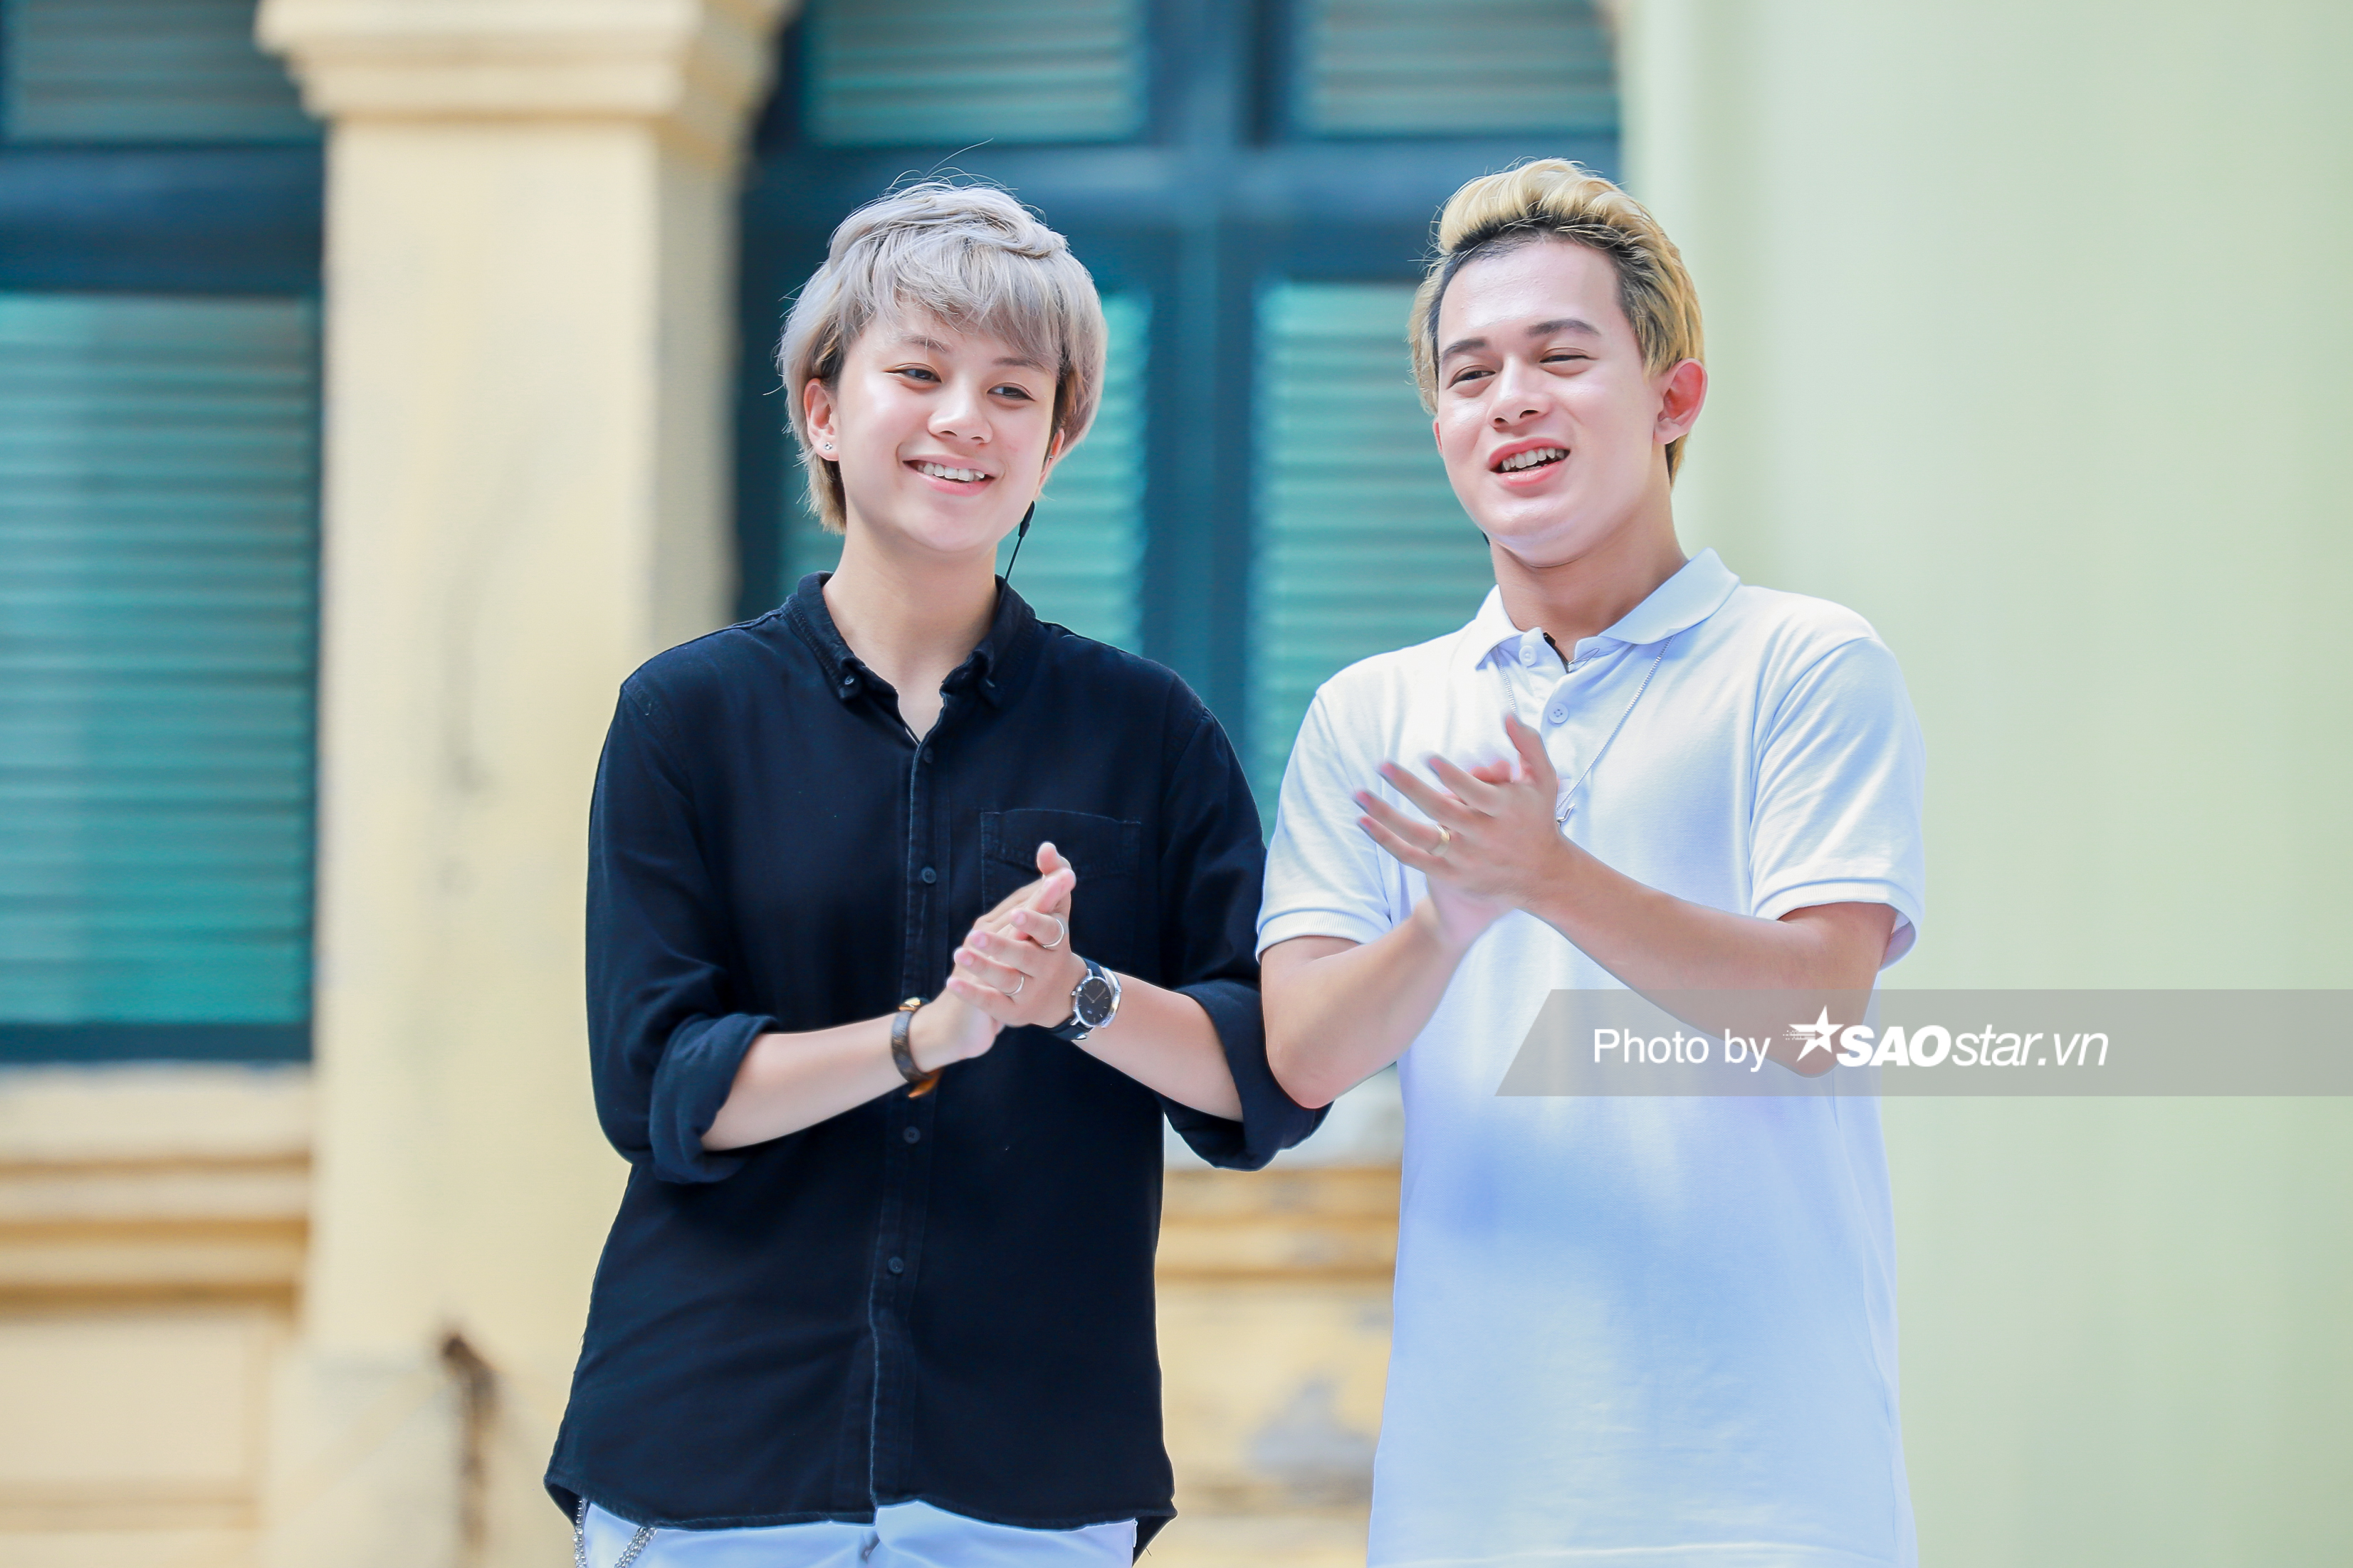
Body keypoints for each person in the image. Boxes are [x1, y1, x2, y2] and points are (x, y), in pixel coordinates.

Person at [546, 180, 1318, 1567]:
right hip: (714, 1457)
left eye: (1013, 390)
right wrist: (929, 1036)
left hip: (1028, 1473)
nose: (966, 416)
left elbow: (1264, 1078)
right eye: (919, 373)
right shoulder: (686, 717)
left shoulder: (1148, 734)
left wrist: (1074, 995)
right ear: (823, 412)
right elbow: (657, 1086)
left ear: (1055, 442)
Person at [1257, 160, 1928, 1566]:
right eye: (1470, 373)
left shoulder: (1806, 663)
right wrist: (1444, 924)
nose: (1510, 398)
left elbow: (1818, 1010)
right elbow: (1306, 1056)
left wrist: (1549, 876)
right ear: (1442, 427)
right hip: (1470, 1496)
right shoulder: (1371, 713)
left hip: (1766, 1492)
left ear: (1673, 398)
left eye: (1561, 357)